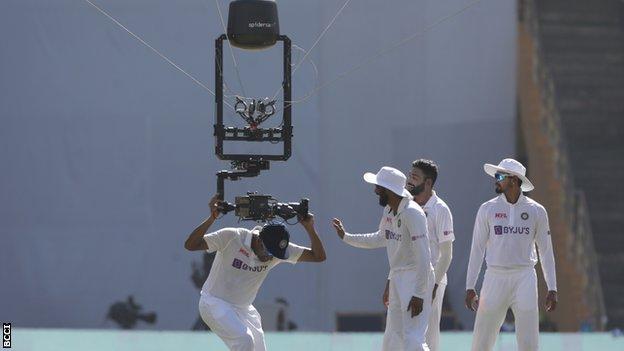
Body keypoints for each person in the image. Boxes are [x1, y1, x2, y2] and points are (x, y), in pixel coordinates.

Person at [184, 195, 326, 351]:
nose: (270, 257)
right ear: (259, 240)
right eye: (268, 252)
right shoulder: (232, 236)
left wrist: (309, 228)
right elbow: (191, 245)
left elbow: (318, 256)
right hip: (214, 302)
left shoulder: (278, 251)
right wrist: (211, 219)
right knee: (244, 341)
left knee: (258, 348)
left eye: (275, 254)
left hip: (244, 309)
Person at [333, 166, 434, 351]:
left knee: (413, 338)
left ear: (389, 190)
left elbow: (424, 255)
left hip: (415, 278)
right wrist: (346, 237)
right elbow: (381, 238)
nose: (375, 191)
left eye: (379, 187)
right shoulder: (389, 210)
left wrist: (420, 293)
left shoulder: (413, 213)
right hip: (397, 277)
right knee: (393, 337)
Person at [465, 158, 558, 351]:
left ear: (514, 180)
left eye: (500, 176)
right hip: (494, 277)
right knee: (481, 342)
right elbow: (477, 249)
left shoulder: (536, 211)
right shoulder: (487, 209)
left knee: (529, 342)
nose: (496, 180)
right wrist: (470, 286)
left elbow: (546, 251)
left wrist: (552, 287)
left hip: (524, 277)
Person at [381, 159, 454, 351]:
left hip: (431, 279)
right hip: (406, 277)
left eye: (415, 177)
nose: (409, 181)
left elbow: (446, 254)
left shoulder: (440, 209)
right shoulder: (405, 206)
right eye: (409, 176)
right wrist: (391, 280)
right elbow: (398, 246)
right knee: (396, 333)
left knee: (427, 337)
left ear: (428, 183)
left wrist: (432, 286)